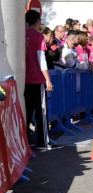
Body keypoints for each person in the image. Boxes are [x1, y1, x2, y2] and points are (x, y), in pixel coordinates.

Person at [24, 10, 53, 150]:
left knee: (27, 111)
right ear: (37, 21)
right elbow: (41, 60)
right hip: (36, 78)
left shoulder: (21, 35)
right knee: (41, 112)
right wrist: (47, 79)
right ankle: (42, 141)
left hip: (24, 79)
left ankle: (26, 140)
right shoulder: (38, 36)